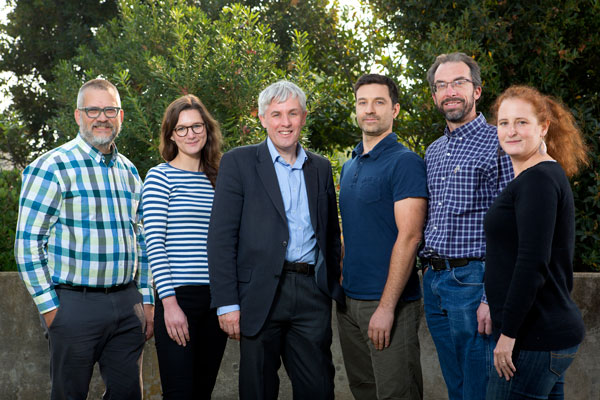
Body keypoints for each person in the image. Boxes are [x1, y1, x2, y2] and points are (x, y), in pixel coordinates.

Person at [14, 78, 154, 400]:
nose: (101, 117)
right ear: (78, 116)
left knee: (128, 394)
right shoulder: (51, 167)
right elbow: (27, 244)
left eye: (110, 109)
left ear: (121, 116)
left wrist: (145, 300)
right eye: (93, 109)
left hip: (126, 303)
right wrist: (51, 310)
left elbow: (143, 241)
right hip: (74, 306)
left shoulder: (130, 172)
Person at [208, 80, 344, 399]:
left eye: (292, 113)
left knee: (319, 388)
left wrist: (330, 285)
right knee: (258, 388)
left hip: (311, 294)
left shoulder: (321, 168)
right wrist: (227, 303)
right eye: (277, 114)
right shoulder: (238, 163)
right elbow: (221, 237)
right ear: (262, 118)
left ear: (304, 117)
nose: (285, 122)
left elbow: (330, 236)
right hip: (259, 295)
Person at [419, 52, 514, 400]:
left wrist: (492, 296)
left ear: (476, 90)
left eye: (459, 82)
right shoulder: (434, 151)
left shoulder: (500, 142)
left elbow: (511, 228)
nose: (450, 91)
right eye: (441, 85)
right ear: (434, 96)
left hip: (474, 283)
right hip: (435, 282)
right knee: (455, 386)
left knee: (481, 389)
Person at [484, 85, 587, 399]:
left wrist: (508, 334)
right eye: (504, 123)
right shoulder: (536, 176)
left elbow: (532, 263)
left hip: (533, 338)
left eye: (522, 122)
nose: (511, 131)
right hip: (542, 335)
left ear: (543, 127)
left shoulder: (538, 180)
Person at [337, 74, 427, 399]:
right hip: (349, 303)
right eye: (363, 102)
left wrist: (387, 308)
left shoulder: (405, 163)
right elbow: (353, 228)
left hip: (389, 304)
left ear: (396, 109)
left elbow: (411, 237)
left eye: (379, 102)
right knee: (364, 391)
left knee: (396, 393)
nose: (369, 110)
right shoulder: (349, 165)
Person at [142, 94, 227, 399]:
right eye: (182, 128)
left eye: (197, 126)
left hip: (217, 299)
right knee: (179, 393)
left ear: (207, 129)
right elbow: (154, 242)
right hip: (179, 298)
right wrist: (170, 304)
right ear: (171, 135)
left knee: (202, 391)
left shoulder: (220, 178)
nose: (191, 134)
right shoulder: (159, 177)